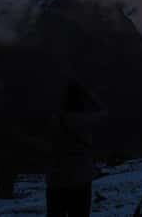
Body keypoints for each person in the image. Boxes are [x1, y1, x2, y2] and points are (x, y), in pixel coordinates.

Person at [46, 80, 107, 217]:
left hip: (56, 179)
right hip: (80, 178)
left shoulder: (55, 120)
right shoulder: (85, 120)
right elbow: (104, 112)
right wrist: (91, 97)